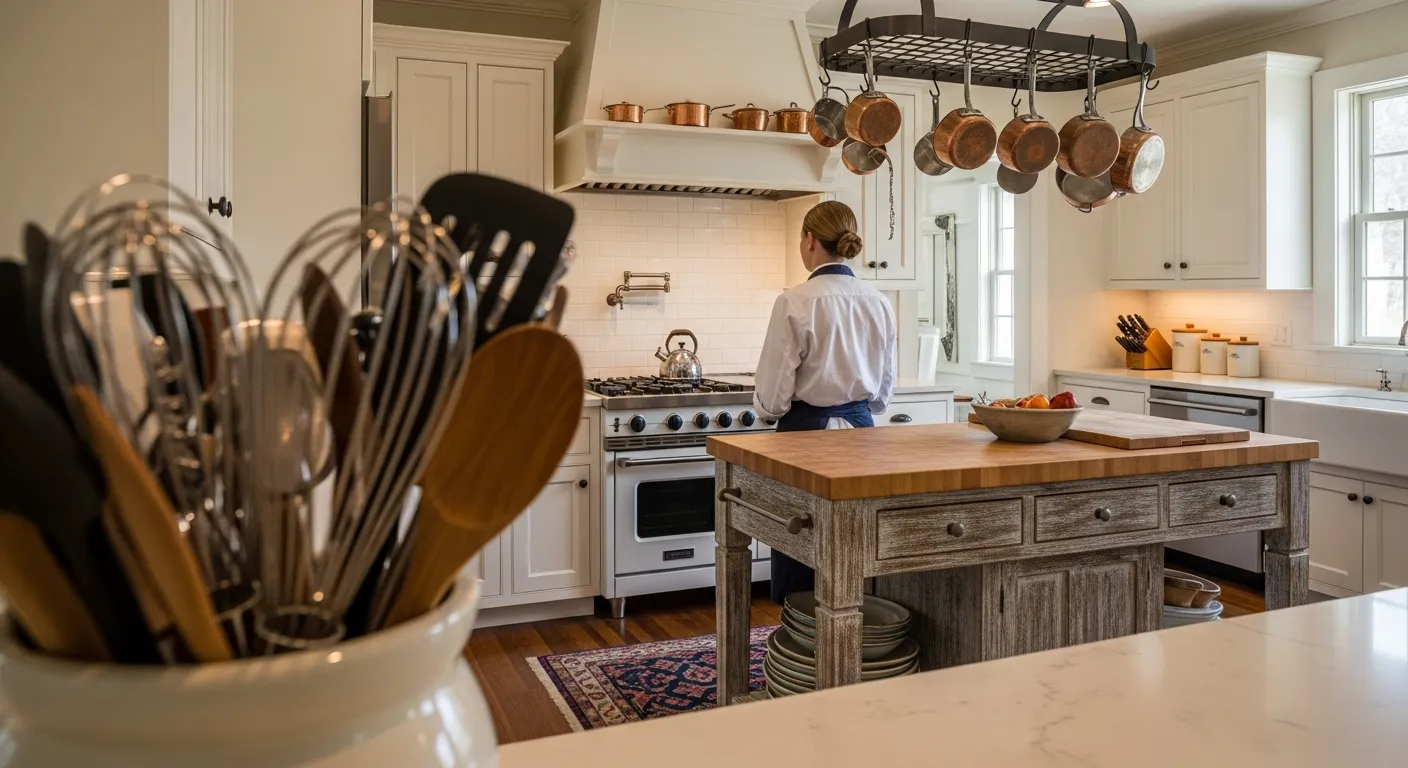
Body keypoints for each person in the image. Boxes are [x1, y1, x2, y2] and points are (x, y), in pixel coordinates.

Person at [753, 200, 897, 605]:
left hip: (803, 438)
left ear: (810, 240)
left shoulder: (795, 301)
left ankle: (800, 639)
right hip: (861, 438)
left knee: (799, 535)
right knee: (854, 537)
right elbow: (884, 394)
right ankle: (855, 629)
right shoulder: (879, 301)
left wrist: (772, 410)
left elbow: (772, 398)